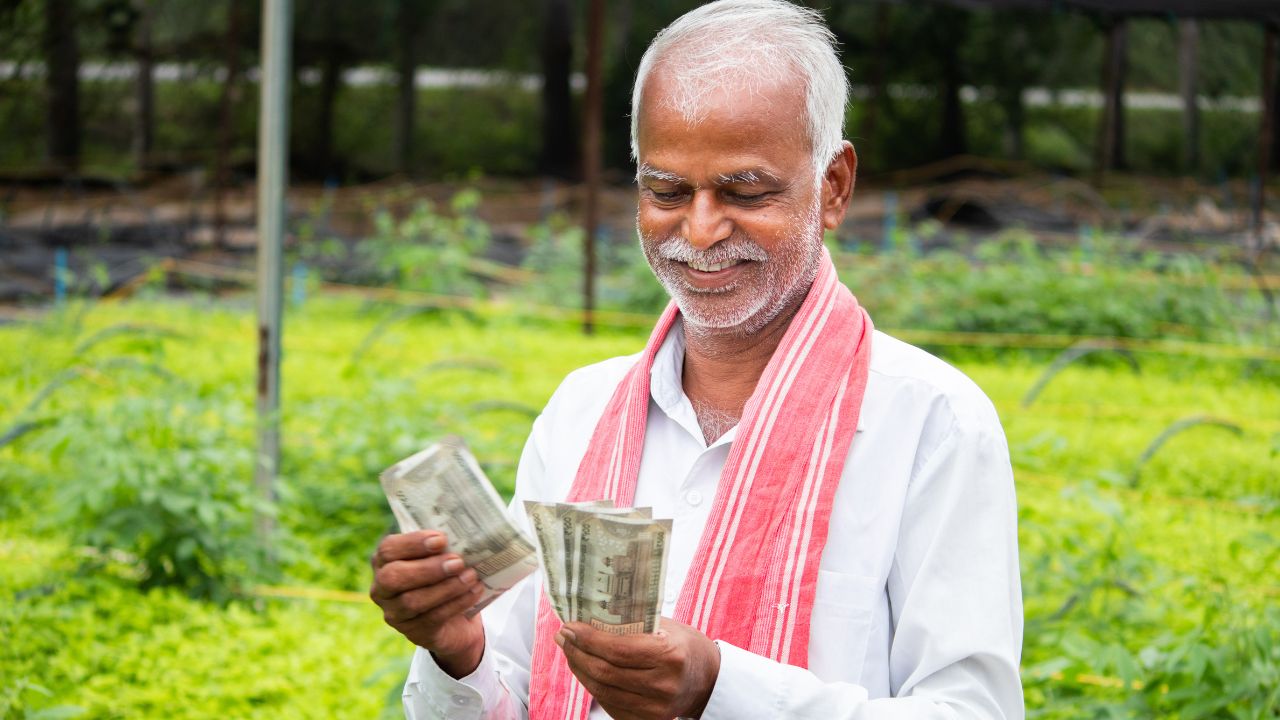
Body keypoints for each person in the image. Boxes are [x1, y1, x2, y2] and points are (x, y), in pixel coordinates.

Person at [369, 1, 1024, 718]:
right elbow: (510, 690)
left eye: (745, 191)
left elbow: (973, 711)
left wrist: (720, 687)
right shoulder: (582, 411)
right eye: (667, 191)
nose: (701, 230)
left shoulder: (929, 421)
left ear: (833, 187)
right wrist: (456, 653)